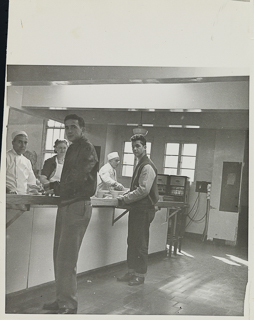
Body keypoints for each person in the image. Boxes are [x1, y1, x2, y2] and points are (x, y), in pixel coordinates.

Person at [43, 114, 98, 314]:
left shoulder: (86, 148)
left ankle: (68, 304)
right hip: (67, 204)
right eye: (66, 127)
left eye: (73, 127)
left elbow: (80, 179)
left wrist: (55, 186)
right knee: (59, 255)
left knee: (67, 257)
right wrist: (56, 188)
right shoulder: (74, 147)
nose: (69, 130)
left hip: (77, 205)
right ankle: (61, 300)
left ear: (82, 128)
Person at [117, 134, 159, 286]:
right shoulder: (140, 164)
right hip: (137, 209)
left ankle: (140, 275)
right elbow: (137, 188)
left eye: (138, 146)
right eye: (133, 146)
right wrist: (126, 194)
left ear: (145, 147)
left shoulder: (147, 166)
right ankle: (131, 271)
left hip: (144, 210)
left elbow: (143, 190)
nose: (135, 149)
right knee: (132, 241)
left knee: (140, 243)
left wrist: (125, 199)